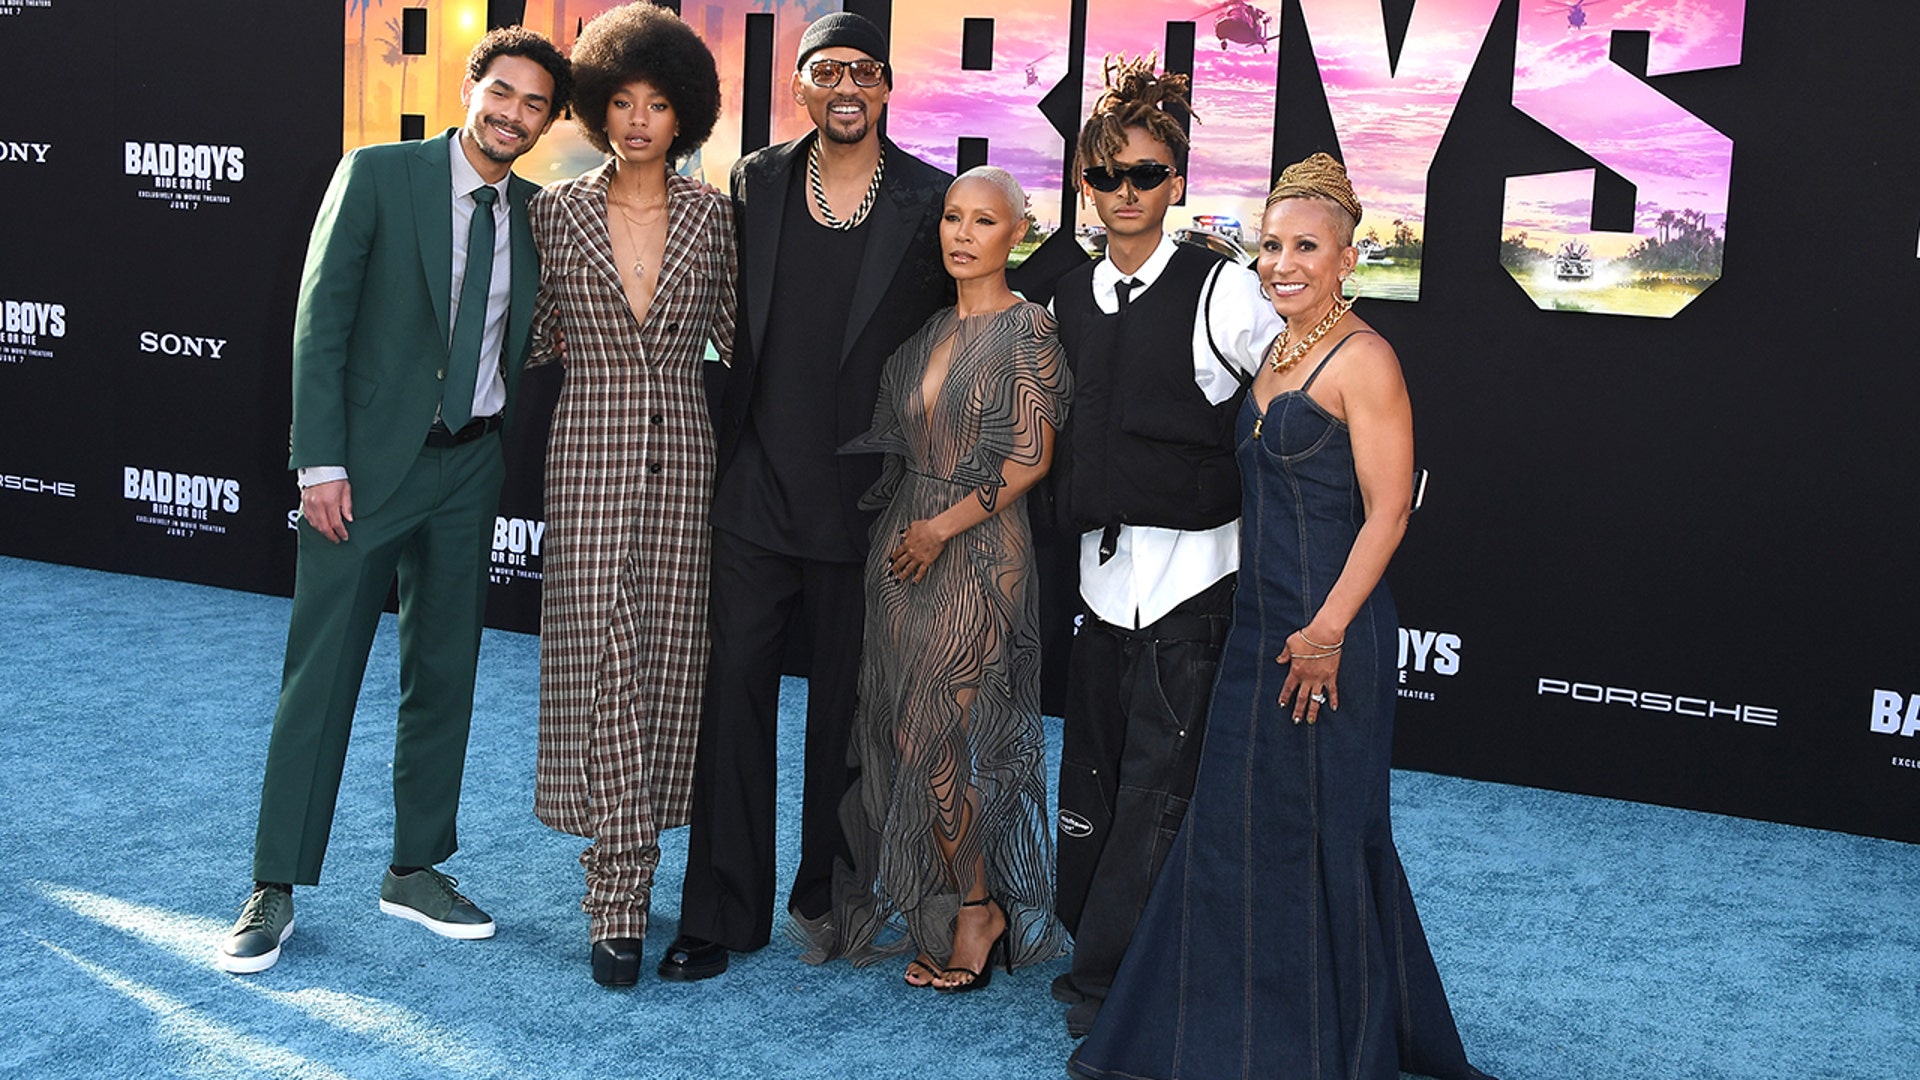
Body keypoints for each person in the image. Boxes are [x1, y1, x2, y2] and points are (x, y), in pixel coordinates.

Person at [1069, 154, 1495, 1080]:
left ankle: (1334, 1039)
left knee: (1326, 830)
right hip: (1259, 629)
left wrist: (1329, 632)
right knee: (1236, 827)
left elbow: (1389, 510)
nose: (1282, 263)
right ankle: (1234, 1029)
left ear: (1349, 257)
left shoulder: (1368, 360)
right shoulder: (1276, 349)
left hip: (1328, 634)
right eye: (1271, 245)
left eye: (1307, 246)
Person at [216, 28, 571, 974]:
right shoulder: (377, 173)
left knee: (444, 671)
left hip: (473, 468)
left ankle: (415, 868)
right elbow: (320, 318)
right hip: (366, 471)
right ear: (470, 87)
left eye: (535, 104)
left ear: (549, 120)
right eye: (502, 93)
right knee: (320, 674)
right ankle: (275, 883)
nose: (513, 115)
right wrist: (319, 462)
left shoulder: (537, 213)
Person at [657, 11, 954, 982]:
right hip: (755, 491)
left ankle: (834, 898)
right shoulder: (756, 180)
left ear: (886, 88)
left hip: (870, 504)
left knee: (852, 717)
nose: (845, 87)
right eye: (826, 71)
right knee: (730, 702)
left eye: (864, 72)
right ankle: (721, 909)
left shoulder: (930, 197)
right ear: (798, 85)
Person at [1046, 54, 1282, 1035]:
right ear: (1084, 185)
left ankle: (1116, 985)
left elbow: (1299, 398)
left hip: (1195, 587)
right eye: (1108, 176)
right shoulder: (1069, 294)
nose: (1125, 194)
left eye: (1146, 175)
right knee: (1093, 784)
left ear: (1175, 183)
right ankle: (1087, 941)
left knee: (1157, 795)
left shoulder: (1224, 290)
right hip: (1101, 588)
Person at [809, 167, 1070, 992]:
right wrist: (907, 531)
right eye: (952, 217)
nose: (961, 233)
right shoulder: (925, 333)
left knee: (936, 734)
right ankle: (950, 899)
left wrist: (939, 528)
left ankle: (980, 906)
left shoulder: (1029, 328)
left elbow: (1030, 461)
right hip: (904, 549)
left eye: (983, 221)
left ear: (1016, 234)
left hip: (979, 550)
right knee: (900, 734)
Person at [523, 4, 735, 988]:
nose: (641, 119)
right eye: (622, 101)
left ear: (683, 112)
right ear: (598, 108)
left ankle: (629, 860)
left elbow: (742, 341)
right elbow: (523, 337)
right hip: (587, 460)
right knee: (602, 662)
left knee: (660, 669)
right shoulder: (553, 213)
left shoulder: (713, 217)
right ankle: (616, 895)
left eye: (658, 103)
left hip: (688, 465)